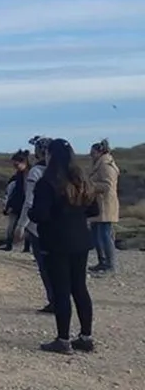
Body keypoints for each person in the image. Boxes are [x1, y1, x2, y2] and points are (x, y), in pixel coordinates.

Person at [28, 138, 98, 355]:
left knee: (61, 290)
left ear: (50, 155)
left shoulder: (48, 182)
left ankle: (63, 339)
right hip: (80, 240)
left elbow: (40, 214)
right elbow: (93, 210)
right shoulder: (81, 179)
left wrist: (32, 213)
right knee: (79, 288)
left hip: (56, 241)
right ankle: (86, 337)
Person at [15, 136, 54, 314]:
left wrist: (21, 225)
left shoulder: (36, 172)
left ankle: (54, 300)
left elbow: (29, 202)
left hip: (39, 227)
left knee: (45, 267)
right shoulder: (66, 171)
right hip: (60, 224)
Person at [87, 139, 119, 275]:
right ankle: (102, 262)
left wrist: (91, 186)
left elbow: (108, 186)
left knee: (105, 235)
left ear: (99, 152)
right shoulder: (100, 164)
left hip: (105, 205)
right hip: (98, 205)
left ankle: (110, 265)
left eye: (92, 153)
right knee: (97, 235)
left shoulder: (106, 165)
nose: (91, 155)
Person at [0, 150, 31, 252]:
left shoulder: (29, 174)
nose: (15, 166)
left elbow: (17, 193)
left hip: (25, 203)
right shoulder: (19, 176)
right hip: (20, 204)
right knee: (15, 227)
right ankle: (12, 245)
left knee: (26, 227)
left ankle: (24, 247)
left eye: (16, 164)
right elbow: (14, 193)